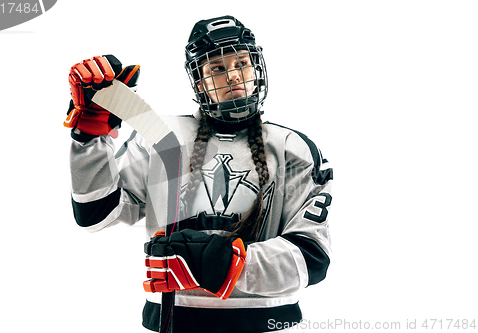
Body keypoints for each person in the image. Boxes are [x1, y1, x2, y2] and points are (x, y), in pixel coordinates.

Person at [65, 15, 333, 333]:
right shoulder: (161, 136)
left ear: (257, 69)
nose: (233, 76)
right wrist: (90, 139)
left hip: (267, 322)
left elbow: (312, 256)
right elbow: (96, 214)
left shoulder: (293, 148)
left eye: (241, 64)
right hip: (174, 319)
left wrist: (221, 263)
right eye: (217, 68)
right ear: (199, 81)